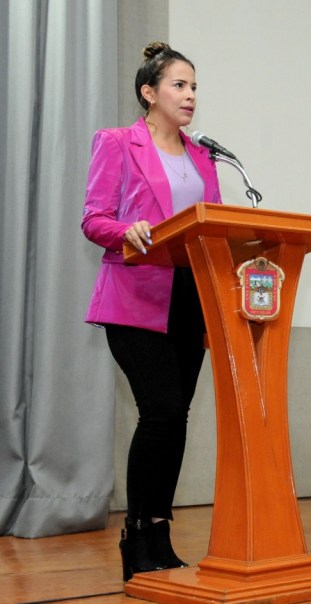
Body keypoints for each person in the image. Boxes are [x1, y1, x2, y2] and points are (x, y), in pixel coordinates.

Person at [81, 42, 222, 581]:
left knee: (175, 417)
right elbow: (94, 218)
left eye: (194, 87)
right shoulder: (118, 142)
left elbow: (212, 225)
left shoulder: (204, 157)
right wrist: (129, 230)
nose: (190, 96)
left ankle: (159, 535)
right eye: (179, 85)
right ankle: (136, 534)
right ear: (149, 92)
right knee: (160, 410)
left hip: (191, 297)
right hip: (136, 296)